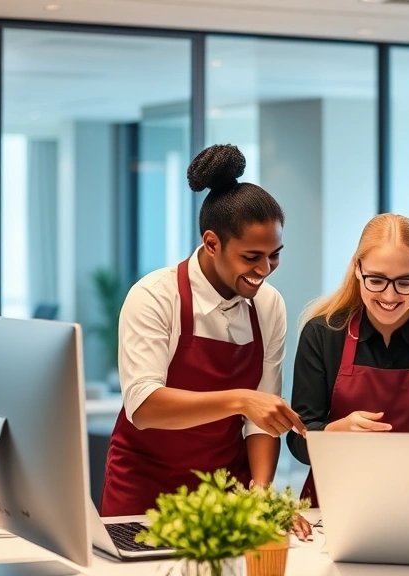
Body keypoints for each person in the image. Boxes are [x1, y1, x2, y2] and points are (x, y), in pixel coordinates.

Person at [101, 144, 309, 540]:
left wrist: (262, 491)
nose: (265, 270)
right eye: (252, 257)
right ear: (212, 243)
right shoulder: (155, 296)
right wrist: (242, 399)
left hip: (227, 496)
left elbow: (259, 422)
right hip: (145, 495)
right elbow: (143, 406)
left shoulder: (268, 306)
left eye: (275, 256)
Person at [287, 213, 409, 506]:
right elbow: (298, 441)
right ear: (356, 268)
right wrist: (337, 432)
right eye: (376, 280)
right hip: (333, 503)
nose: (389, 296)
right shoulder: (323, 333)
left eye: (405, 282)